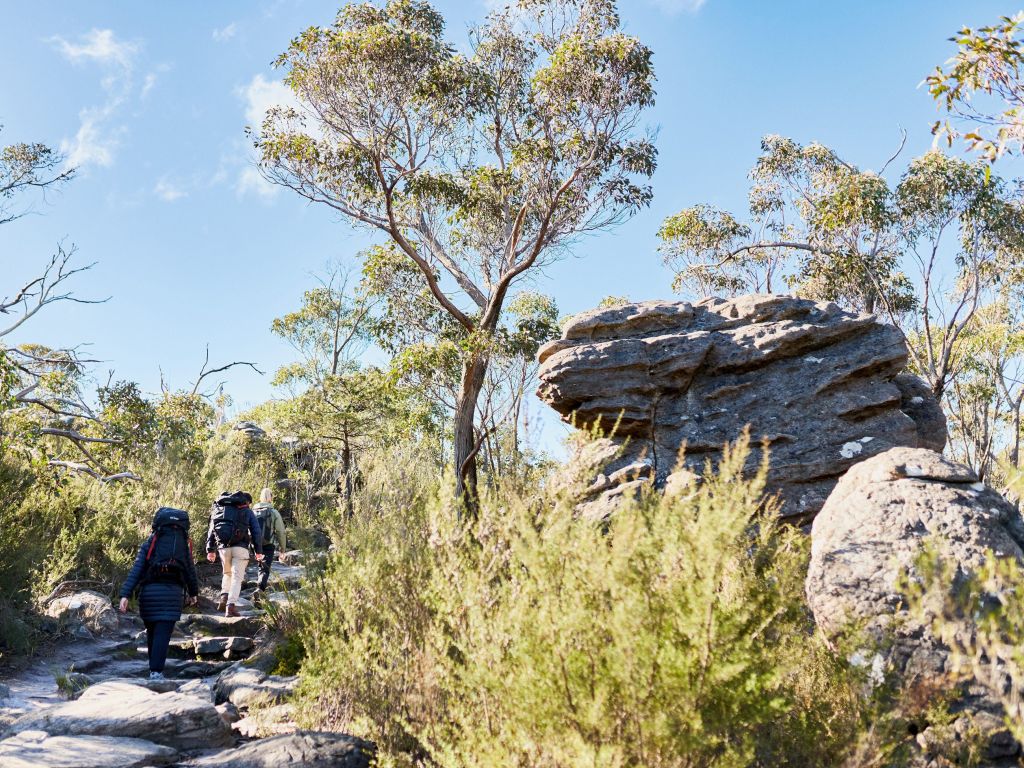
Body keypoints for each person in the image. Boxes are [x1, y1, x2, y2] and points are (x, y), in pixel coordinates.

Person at [119, 507, 199, 681]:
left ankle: (153, 669)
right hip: (172, 596)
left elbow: (137, 569)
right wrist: (194, 593)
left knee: (152, 631)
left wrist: (125, 594)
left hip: (149, 595)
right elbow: (189, 571)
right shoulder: (183, 546)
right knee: (163, 633)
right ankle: (156, 672)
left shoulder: (150, 543)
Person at [206, 490, 264, 617]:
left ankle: (223, 597)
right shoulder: (247, 511)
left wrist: (210, 550)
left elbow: (211, 530)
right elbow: (256, 531)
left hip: (223, 548)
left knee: (227, 573)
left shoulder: (220, 510)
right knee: (237, 577)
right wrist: (258, 551)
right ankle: (230, 606)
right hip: (240, 548)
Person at [252, 488, 287, 594]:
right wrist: (283, 549)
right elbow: (281, 532)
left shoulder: (253, 511)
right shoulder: (273, 512)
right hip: (268, 543)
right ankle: (260, 589)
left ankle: (259, 588)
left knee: (260, 565)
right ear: (270, 497)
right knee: (265, 567)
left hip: (255, 543)